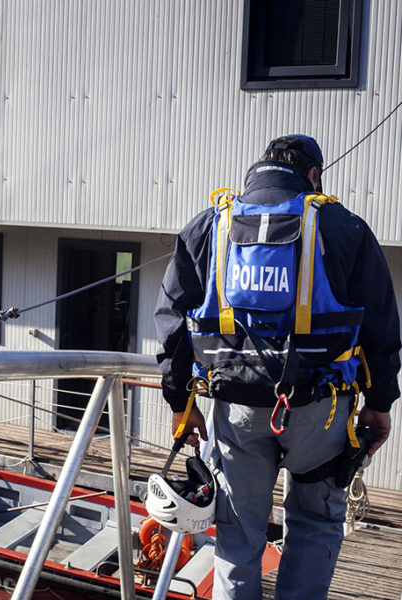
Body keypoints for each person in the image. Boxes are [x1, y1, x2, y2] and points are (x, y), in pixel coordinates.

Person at [154, 134, 401, 599]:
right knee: (314, 523)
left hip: (236, 409)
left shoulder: (210, 224)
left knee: (237, 533)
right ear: (312, 175)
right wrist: (380, 401)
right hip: (320, 413)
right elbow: (382, 326)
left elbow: (172, 322)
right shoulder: (343, 226)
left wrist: (180, 402)